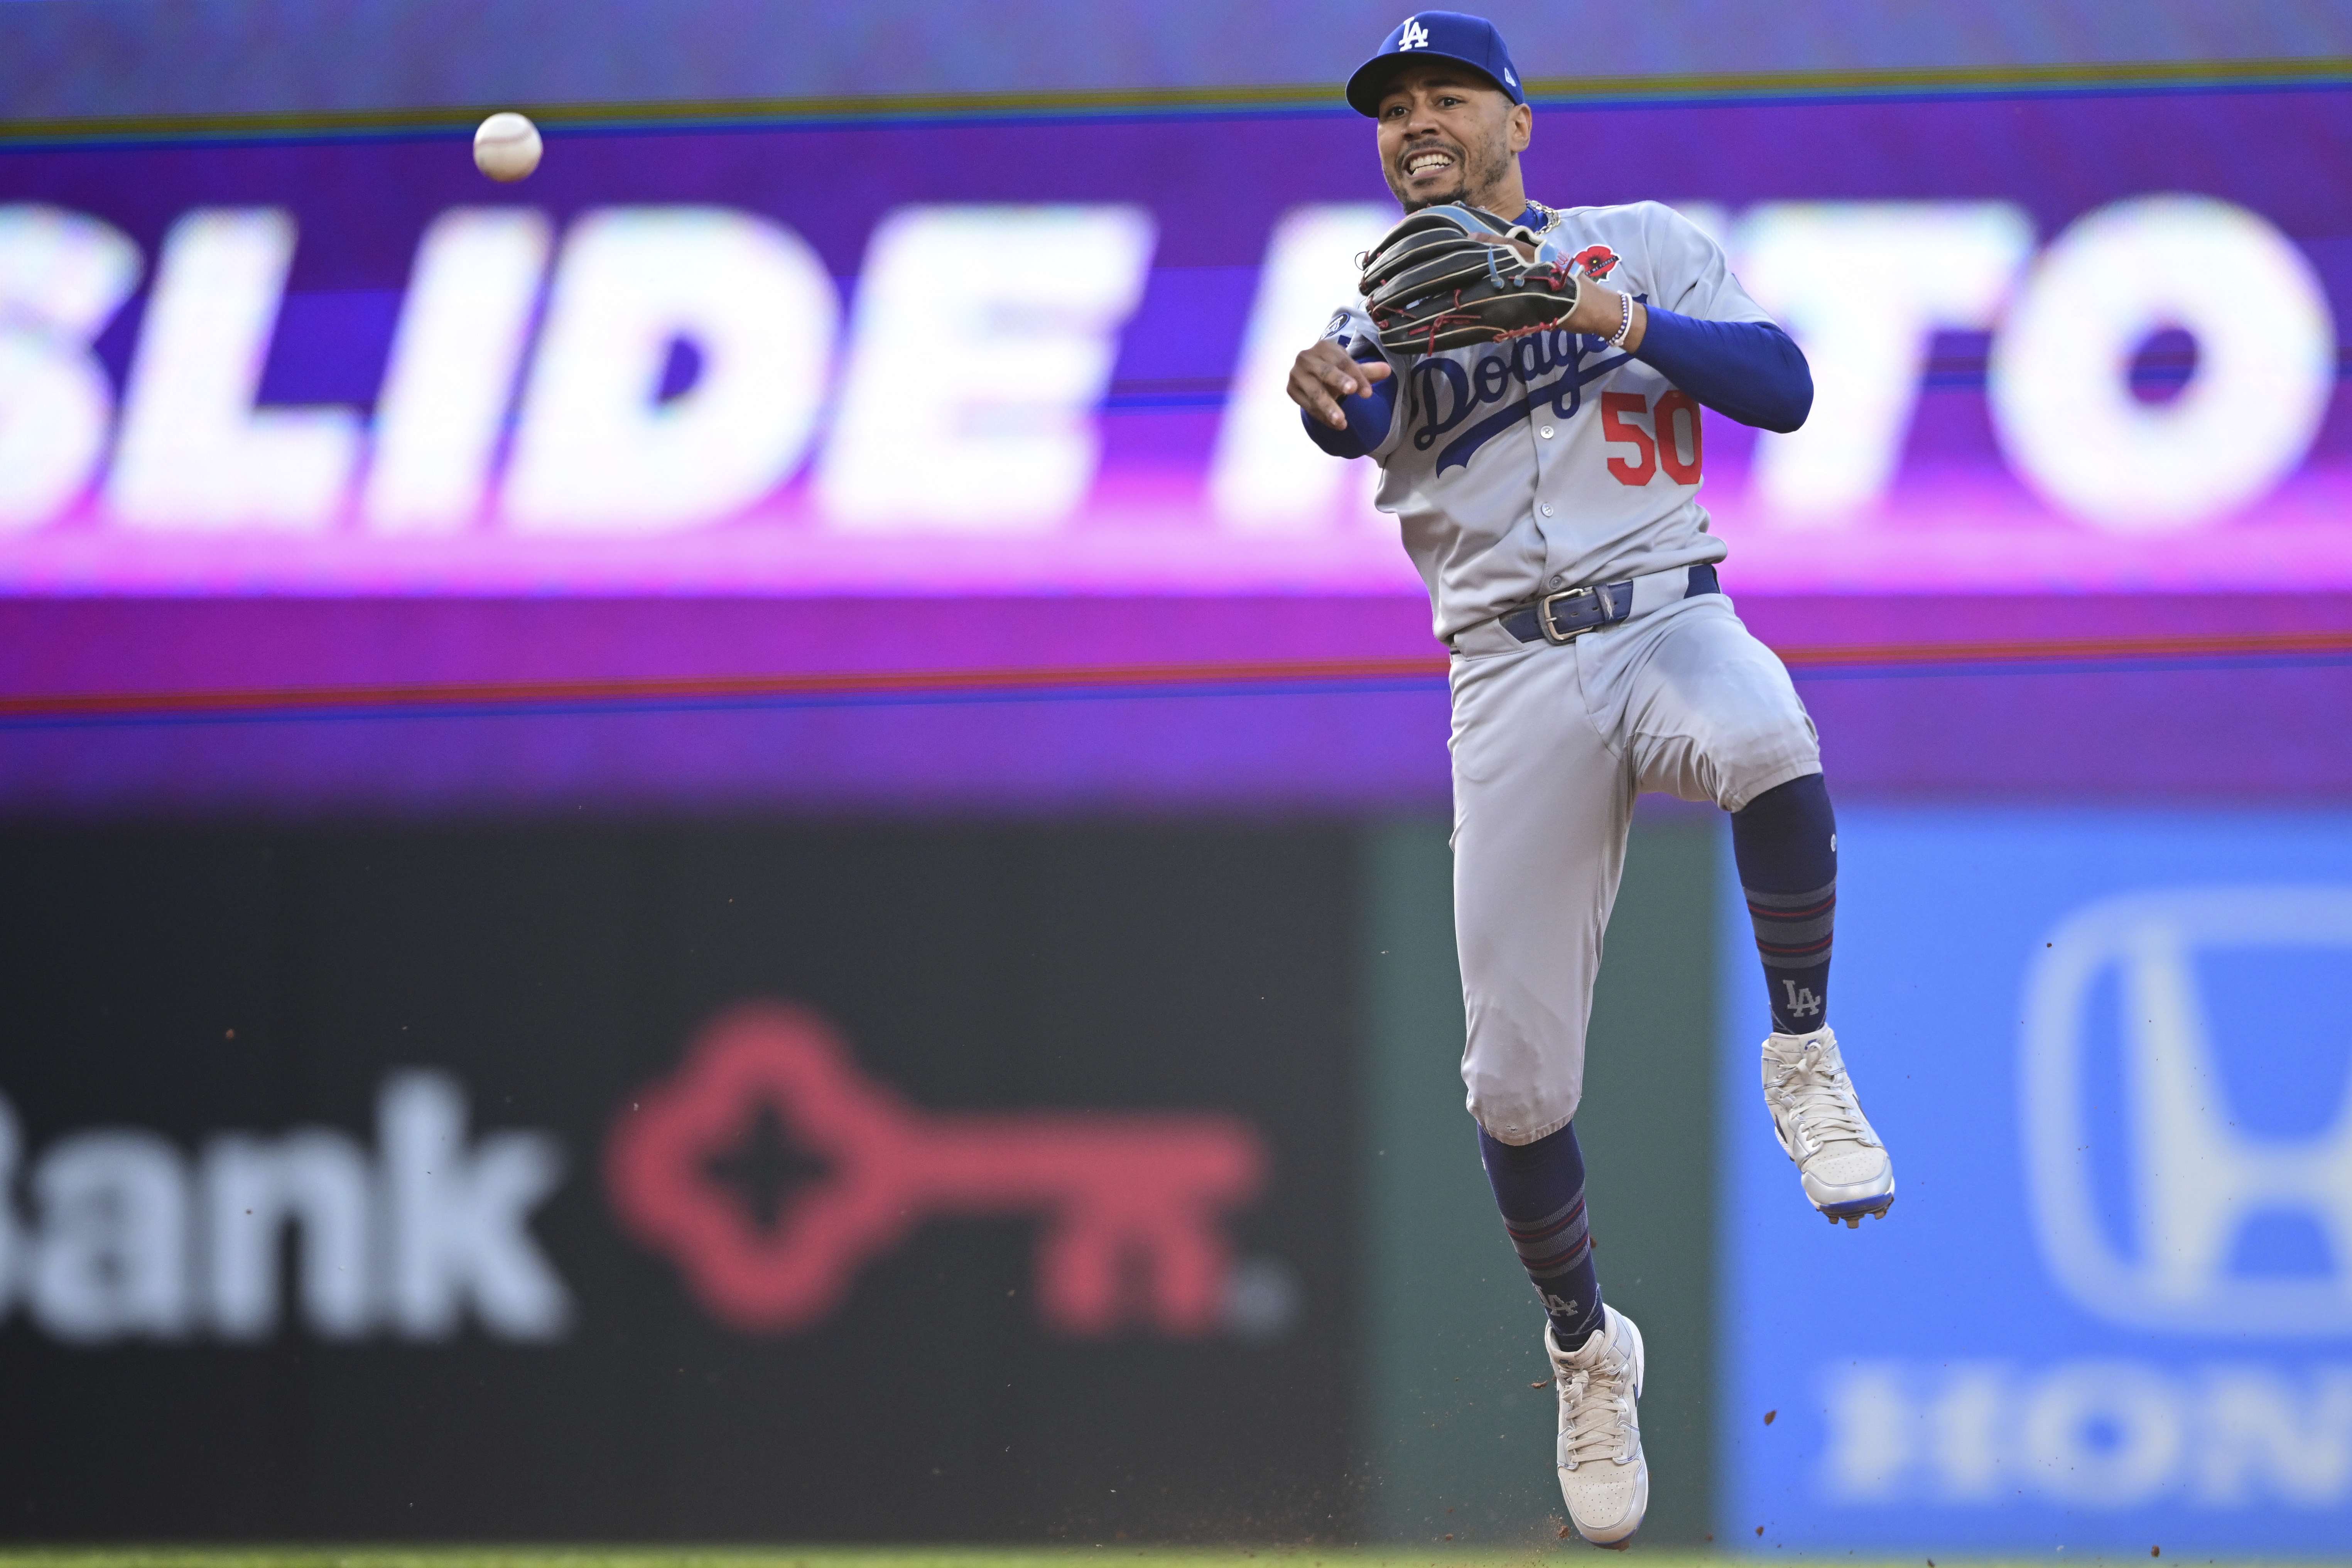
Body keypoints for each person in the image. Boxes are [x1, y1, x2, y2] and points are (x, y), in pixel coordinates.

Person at [1287, 12, 1896, 1547]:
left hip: (1667, 610)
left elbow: (1783, 388)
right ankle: (1584, 1348)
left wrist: (1612, 318)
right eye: (1393, 108)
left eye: (1446, 96)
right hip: (1506, 672)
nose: (1416, 122)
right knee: (1514, 1087)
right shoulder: (1384, 304)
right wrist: (1331, 402)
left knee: (1765, 734)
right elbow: (1356, 417)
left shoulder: (1640, 243)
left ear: (1516, 119)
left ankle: (1804, 1055)